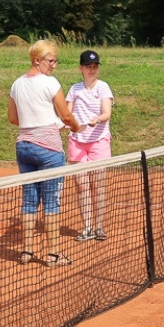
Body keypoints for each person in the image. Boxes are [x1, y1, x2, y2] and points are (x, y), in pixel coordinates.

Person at [8, 39, 83, 266]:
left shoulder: (16, 84)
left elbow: (13, 118)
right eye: (50, 61)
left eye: (55, 61)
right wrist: (76, 126)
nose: (54, 65)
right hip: (49, 150)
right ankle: (53, 254)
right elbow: (66, 116)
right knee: (51, 202)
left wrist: (35, 122)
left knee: (29, 201)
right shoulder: (50, 84)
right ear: (37, 60)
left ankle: (27, 252)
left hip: (24, 147)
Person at [66, 49, 114, 242]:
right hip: (77, 142)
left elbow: (107, 113)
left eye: (95, 67)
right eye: (88, 67)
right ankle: (87, 227)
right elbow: (67, 114)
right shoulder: (74, 89)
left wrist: (97, 119)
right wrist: (65, 124)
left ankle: (99, 227)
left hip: (99, 140)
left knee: (99, 186)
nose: (92, 70)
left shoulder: (103, 87)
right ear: (81, 68)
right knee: (82, 186)